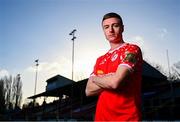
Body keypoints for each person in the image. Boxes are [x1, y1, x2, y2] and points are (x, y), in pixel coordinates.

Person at [85, 12, 143, 121]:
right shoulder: (100, 59)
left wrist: (95, 79)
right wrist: (109, 78)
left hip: (127, 118)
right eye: (106, 27)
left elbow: (115, 83)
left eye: (115, 25)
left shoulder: (132, 50)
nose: (110, 30)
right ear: (103, 31)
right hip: (101, 118)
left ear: (122, 28)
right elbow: (88, 91)